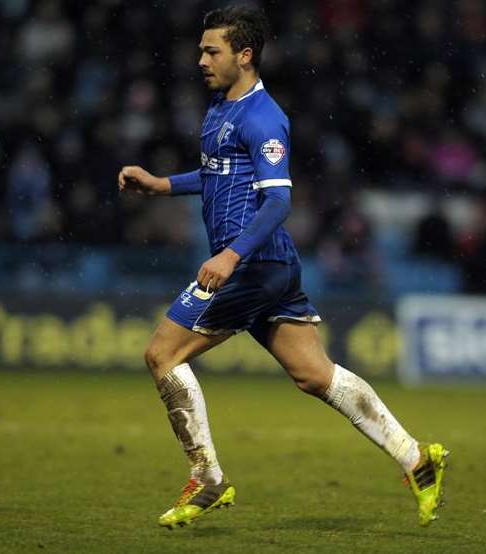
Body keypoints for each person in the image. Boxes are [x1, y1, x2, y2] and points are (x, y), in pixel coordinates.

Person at [118, 5, 447, 529]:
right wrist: (162, 185)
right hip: (268, 267)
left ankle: (207, 479)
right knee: (316, 376)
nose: (199, 59)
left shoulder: (264, 117)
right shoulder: (220, 107)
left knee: (162, 353)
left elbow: (278, 202)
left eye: (212, 50)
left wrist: (229, 255)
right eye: (201, 49)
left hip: (251, 265)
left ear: (244, 56)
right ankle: (417, 458)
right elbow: (216, 174)